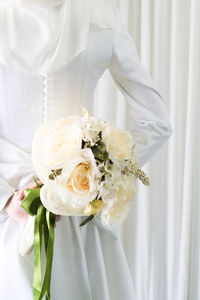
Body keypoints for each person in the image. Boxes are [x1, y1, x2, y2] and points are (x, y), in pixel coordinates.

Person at [0, 0, 172, 299]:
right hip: (71, 214)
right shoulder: (101, 16)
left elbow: (156, 123)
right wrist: (98, 174)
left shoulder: (101, 16)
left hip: (42, 206)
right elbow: (156, 122)